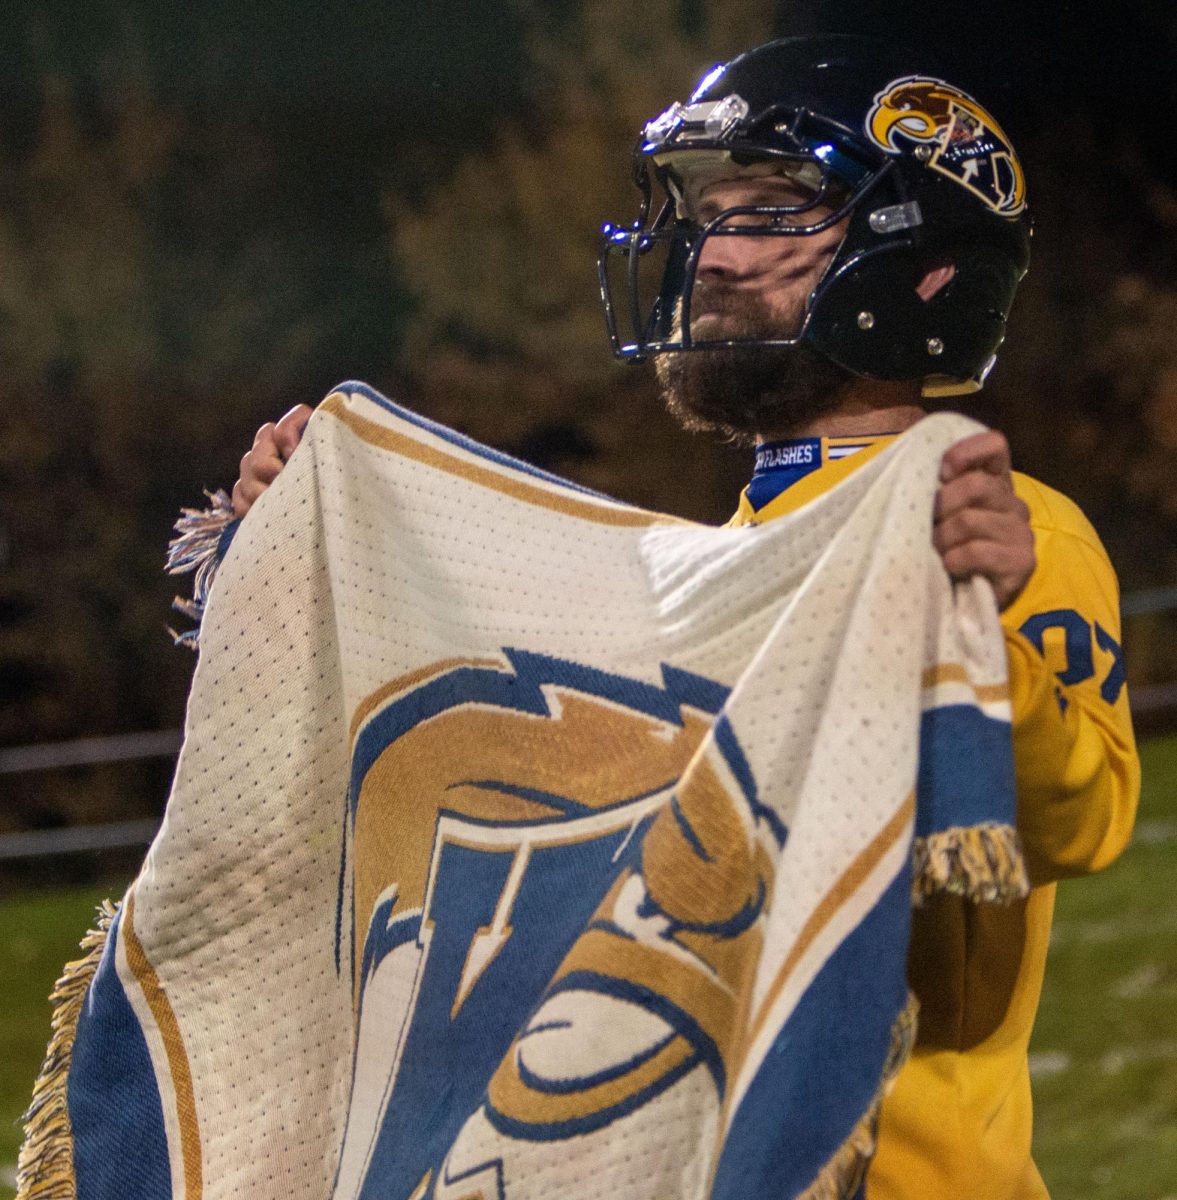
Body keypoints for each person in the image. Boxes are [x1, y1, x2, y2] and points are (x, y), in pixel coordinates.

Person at [219, 35, 1139, 1200]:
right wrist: (314, 569)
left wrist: (993, 611)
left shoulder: (1005, 522)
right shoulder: (723, 557)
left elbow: (1076, 822)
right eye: (705, 214)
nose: (709, 253)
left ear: (918, 261)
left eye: (769, 211)